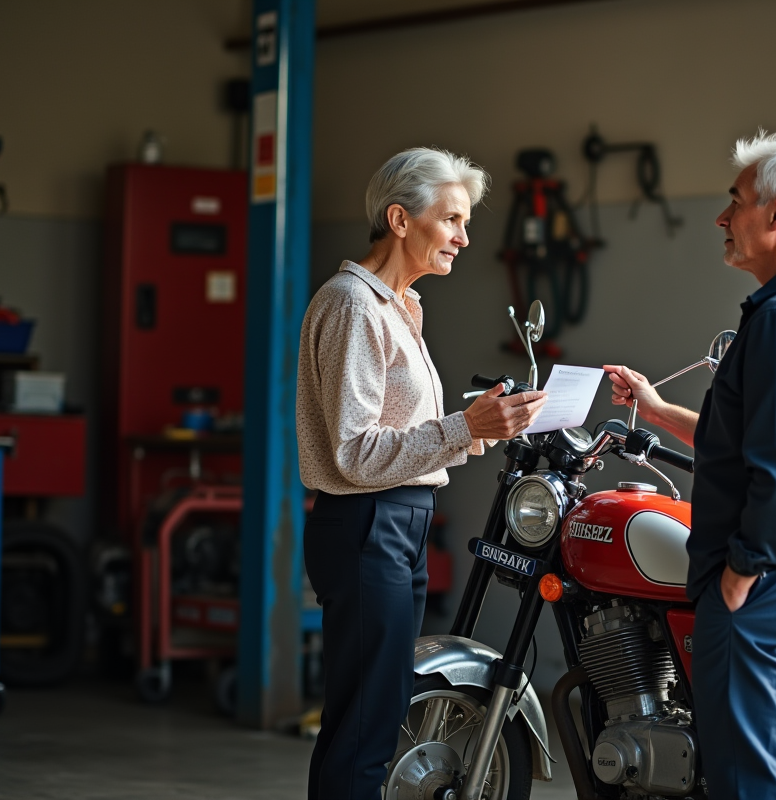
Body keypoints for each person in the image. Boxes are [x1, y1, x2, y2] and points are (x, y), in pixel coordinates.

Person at [604, 132, 776, 800]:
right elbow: (754, 442)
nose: (723, 218)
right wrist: (658, 410)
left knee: (747, 780)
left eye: (736, 201)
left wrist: (741, 573)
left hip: (766, 577)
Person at [296, 147, 548, 800]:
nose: (465, 238)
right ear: (400, 219)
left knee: (376, 714)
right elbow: (355, 452)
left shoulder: (402, 307)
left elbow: (404, 438)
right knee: (365, 726)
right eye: (453, 220)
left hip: (396, 518)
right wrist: (467, 428)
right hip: (365, 520)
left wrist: (481, 426)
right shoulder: (354, 305)